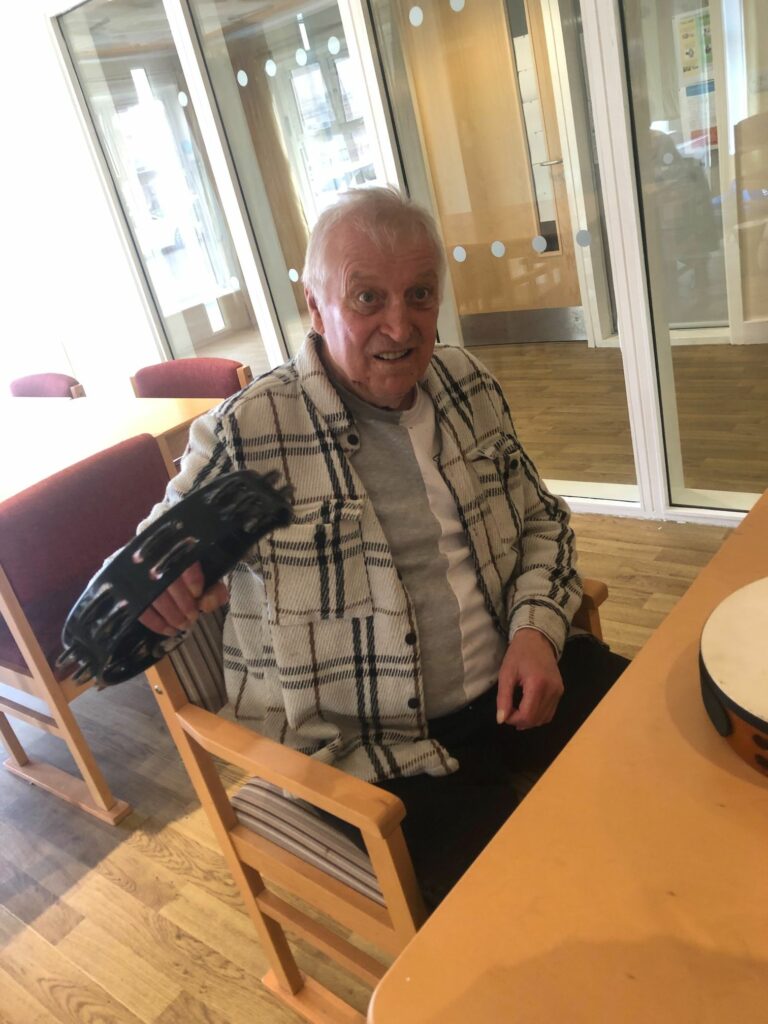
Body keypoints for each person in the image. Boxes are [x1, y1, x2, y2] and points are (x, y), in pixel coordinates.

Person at [138, 186, 628, 907]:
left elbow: (543, 523)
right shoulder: (249, 432)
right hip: (373, 757)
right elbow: (155, 554)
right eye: (367, 298)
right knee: (541, 905)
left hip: (517, 682)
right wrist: (163, 579)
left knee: (672, 758)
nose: (401, 326)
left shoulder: (468, 385)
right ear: (316, 307)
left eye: (419, 294)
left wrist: (535, 631)